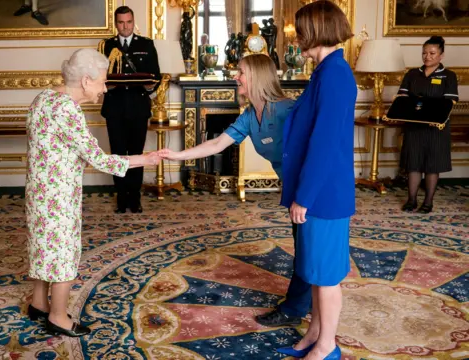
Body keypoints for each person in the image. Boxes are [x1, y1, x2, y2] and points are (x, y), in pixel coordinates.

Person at [25, 48, 159, 337]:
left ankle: (38, 303)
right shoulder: (67, 109)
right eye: (102, 82)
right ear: (86, 81)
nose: (104, 89)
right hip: (58, 196)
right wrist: (144, 159)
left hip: (38, 193)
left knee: (44, 247)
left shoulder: (44, 98)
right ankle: (58, 316)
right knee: (62, 253)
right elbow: (100, 159)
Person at [275, 1, 356, 359]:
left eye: (300, 31)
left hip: (324, 194)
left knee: (325, 276)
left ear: (315, 30)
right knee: (316, 269)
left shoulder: (335, 74)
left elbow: (323, 145)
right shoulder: (326, 71)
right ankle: (314, 334)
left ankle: (328, 346)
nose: (297, 39)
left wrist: (304, 197)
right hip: (320, 191)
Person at [159, 54, 292, 189]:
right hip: (288, 179)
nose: (235, 76)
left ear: (257, 77)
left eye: (241, 72)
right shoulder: (249, 116)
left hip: (306, 179)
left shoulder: (286, 109)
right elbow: (217, 144)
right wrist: (177, 155)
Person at [99, 5, 161, 214]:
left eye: (128, 22)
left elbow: (156, 76)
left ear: (134, 22)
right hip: (114, 108)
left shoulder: (146, 44)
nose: (125, 27)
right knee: (117, 154)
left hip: (138, 108)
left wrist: (151, 86)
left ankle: (135, 198)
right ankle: (121, 198)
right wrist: (106, 85)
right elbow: (98, 75)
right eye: (121, 22)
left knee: (136, 153)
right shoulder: (106, 46)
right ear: (116, 24)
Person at [397, 35, 458, 214]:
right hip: (414, 127)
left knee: (432, 165)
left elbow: (450, 102)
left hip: (436, 129)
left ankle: (428, 202)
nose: (427, 57)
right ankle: (411, 200)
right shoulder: (412, 74)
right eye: (424, 53)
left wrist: (424, 105)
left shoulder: (449, 76)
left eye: (432, 53)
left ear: (441, 55)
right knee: (413, 164)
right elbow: (402, 98)